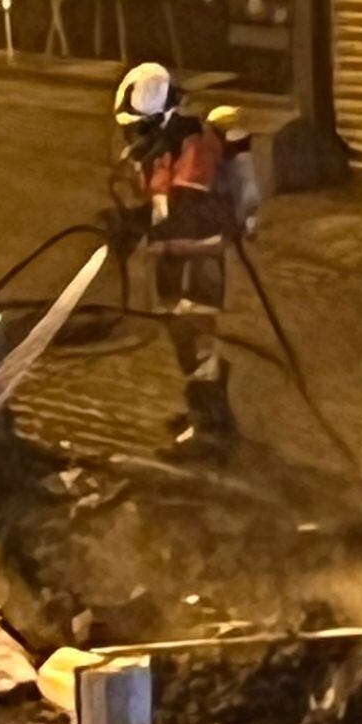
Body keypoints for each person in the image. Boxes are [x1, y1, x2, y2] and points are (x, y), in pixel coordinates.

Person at [112, 63, 260, 460]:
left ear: (157, 119)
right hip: (174, 254)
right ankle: (209, 415)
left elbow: (189, 211)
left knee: (196, 339)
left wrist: (140, 227)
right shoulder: (164, 147)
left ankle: (210, 431)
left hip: (197, 256)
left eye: (138, 128)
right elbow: (161, 204)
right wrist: (130, 224)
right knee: (183, 338)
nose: (132, 137)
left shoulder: (193, 146)